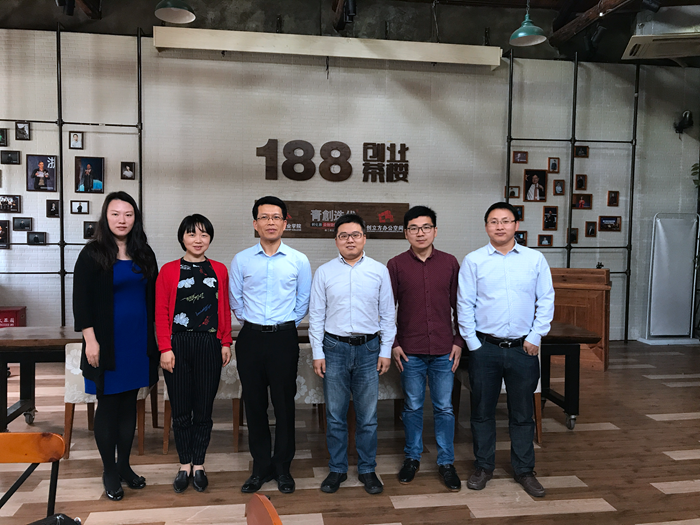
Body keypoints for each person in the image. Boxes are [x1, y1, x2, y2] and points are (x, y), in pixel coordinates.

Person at [457, 202, 554, 498]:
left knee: (522, 413)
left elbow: (546, 299)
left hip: (523, 349)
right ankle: (483, 466)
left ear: (516, 225)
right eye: (494, 221)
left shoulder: (535, 259)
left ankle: (524, 470)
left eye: (506, 221)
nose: (500, 226)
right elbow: (464, 304)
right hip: (485, 347)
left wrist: (535, 336)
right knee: (481, 411)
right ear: (486, 226)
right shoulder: (474, 261)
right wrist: (473, 343)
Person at [72, 191, 159, 502]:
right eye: (115, 214)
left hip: (138, 341)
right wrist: (90, 340)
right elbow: (81, 301)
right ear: (105, 217)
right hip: (107, 343)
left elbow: (153, 296)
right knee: (108, 405)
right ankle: (109, 469)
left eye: (128, 214)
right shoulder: (92, 253)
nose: (122, 220)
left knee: (129, 405)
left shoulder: (144, 252)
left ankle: (124, 465)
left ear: (135, 218)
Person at [229, 196, 311, 494]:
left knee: (284, 404)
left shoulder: (298, 260)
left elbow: (303, 301)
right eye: (264, 217)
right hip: (250, 338)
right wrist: (253, 322)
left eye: (276, 217)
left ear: (285, 223)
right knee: (254, 404)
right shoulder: (242, 260)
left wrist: (283, 324)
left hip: (283, 338)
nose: (271, 222)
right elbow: (235, 300)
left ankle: (283, 467)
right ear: (255, 224)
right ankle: (260, 466)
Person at [309, 214, 396, 495]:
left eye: (355, 234)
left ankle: (367, 469)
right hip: (334, 348)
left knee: (368, 416)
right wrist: (318, 352)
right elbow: (316, 316)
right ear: (336, 240)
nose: (350, 240)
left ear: (364, 238)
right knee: (335, 415)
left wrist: (385, 350)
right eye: (343, 235)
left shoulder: (379, 271)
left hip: (369, 349)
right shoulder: (324, 272)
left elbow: (388, 314)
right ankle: (337, 469)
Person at [387, 206, 463, 491]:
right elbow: (386, 309)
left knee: (444, 408)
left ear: (435, 231)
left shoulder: (450, 263)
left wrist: (459, 341)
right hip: (410, 351)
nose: (420, 233)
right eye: (414, 228)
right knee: (413, 407)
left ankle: (446, 462)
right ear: (406, 233)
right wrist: (394, 343)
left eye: (426, 227)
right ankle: (412, 457)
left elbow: (461, 305)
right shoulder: (395, 265)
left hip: (444, 349)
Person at [156, 214, 232, 494]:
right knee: (180, 410)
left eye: (204, 234)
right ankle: (184, 463)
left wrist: (226, 342)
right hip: (177, 345)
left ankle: (199, 463)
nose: (198, 240)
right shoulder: (169, 270)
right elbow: (161, 312)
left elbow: (223, 308)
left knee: (203, 409)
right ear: (182, 238)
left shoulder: (219, 270)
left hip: (209, 344)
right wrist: (165, 348)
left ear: (210, 239)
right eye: (192, 234)